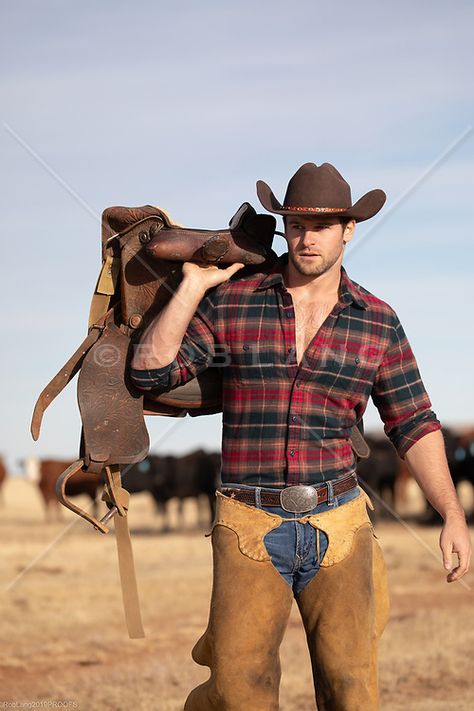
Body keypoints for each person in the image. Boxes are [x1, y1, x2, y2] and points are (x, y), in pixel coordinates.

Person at [130, 163, 471, 711]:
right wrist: (194, 285)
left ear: (348, 229)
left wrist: (452, 514)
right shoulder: (234, 302)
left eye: (323, 225)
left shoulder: (378, 322)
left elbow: (413, 422)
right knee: (239, 690)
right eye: (294, 224)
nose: (306, 237)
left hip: (339, 522)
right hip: (249, 521)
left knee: (351, 689)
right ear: (283, 227)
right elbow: (150, 373)